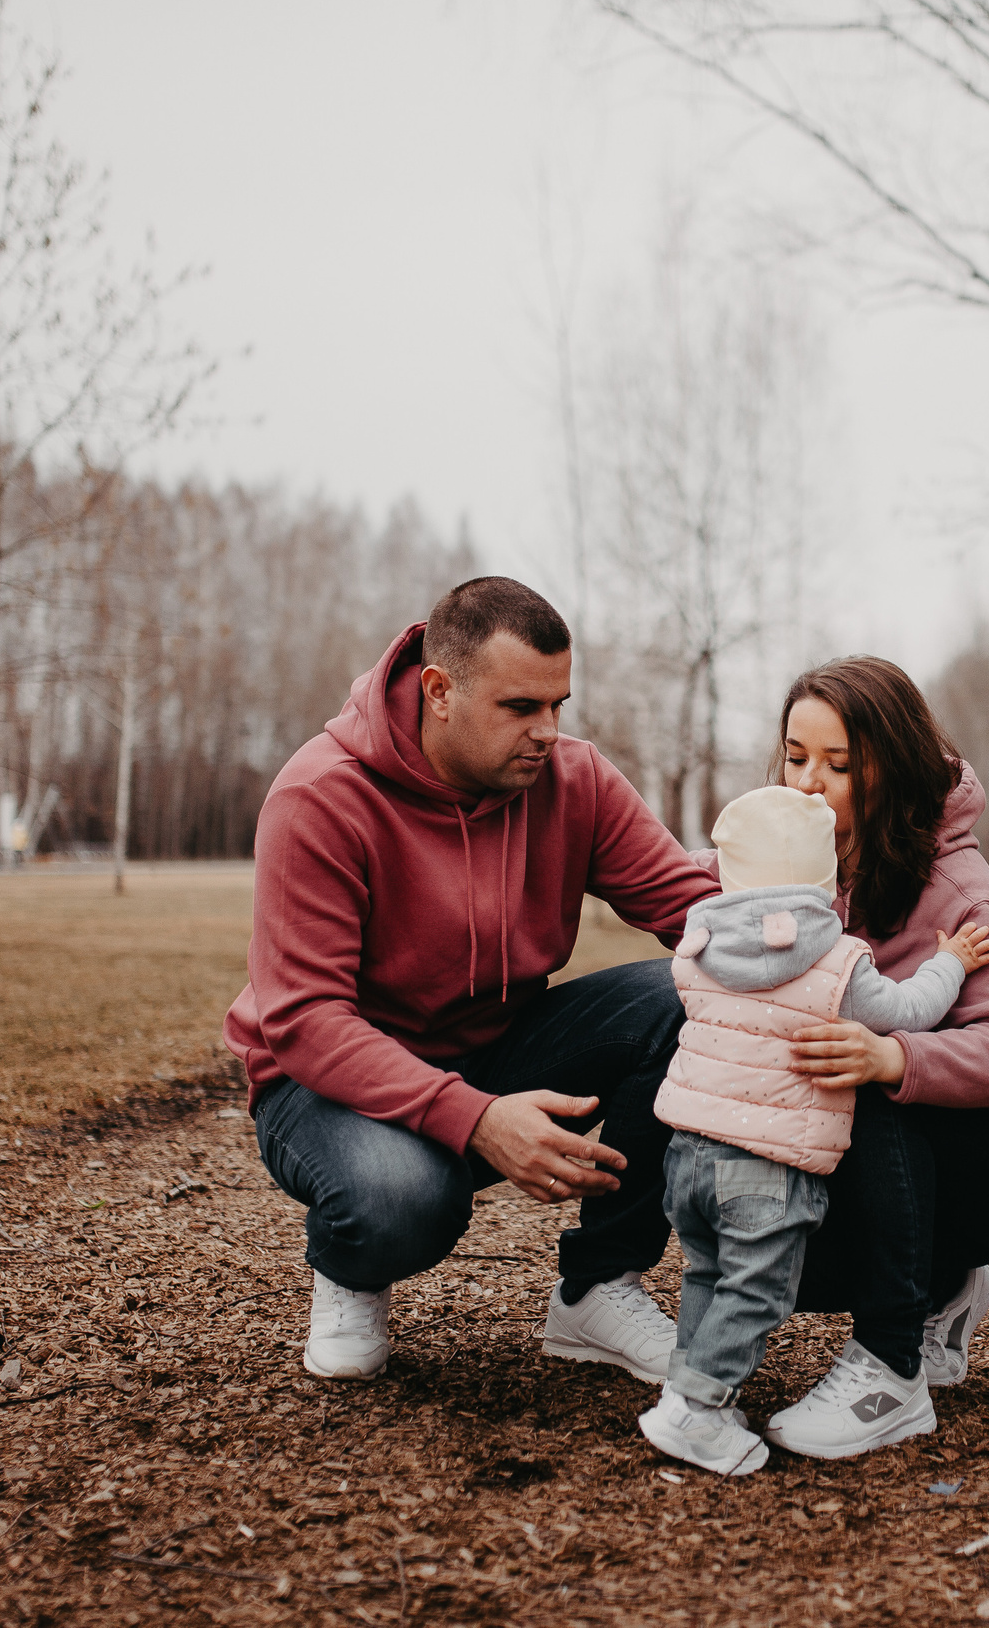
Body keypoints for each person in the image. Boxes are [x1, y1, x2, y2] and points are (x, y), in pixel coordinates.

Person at [225, 577, 716, 1383]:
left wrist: (825, 933)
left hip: (494, 1047)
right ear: (439, 690)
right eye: (520, 707)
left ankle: (598, 1287)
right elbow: (307, 1019)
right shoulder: (320, 797)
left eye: (559, 704)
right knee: (406, 1197)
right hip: (324, 1084)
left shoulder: (575, 779)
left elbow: (696, 912)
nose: (549, 731)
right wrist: (477, 1119)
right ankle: (352, 1269)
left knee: (685, 996)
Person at [760, 656, 989, 1458]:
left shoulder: (959, 887)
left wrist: (891, 1056)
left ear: (895, 768)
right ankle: (945, 1286)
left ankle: (890, 1370)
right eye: (797, 755)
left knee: (869, 1077)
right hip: (928, 1132)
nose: (810, 783)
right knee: (792, 1262)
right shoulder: (804, 865)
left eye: (840, 765)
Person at [637, 783, 989, 1475]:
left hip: (685, 1153)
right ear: (825, 881)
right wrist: (952, 960)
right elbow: (909, 1011)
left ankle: (685, 1389)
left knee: (707, 1273)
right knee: (759, 1288)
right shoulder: (837, 963)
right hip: (765, 1164)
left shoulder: (699, 948)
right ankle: (699, 1410)